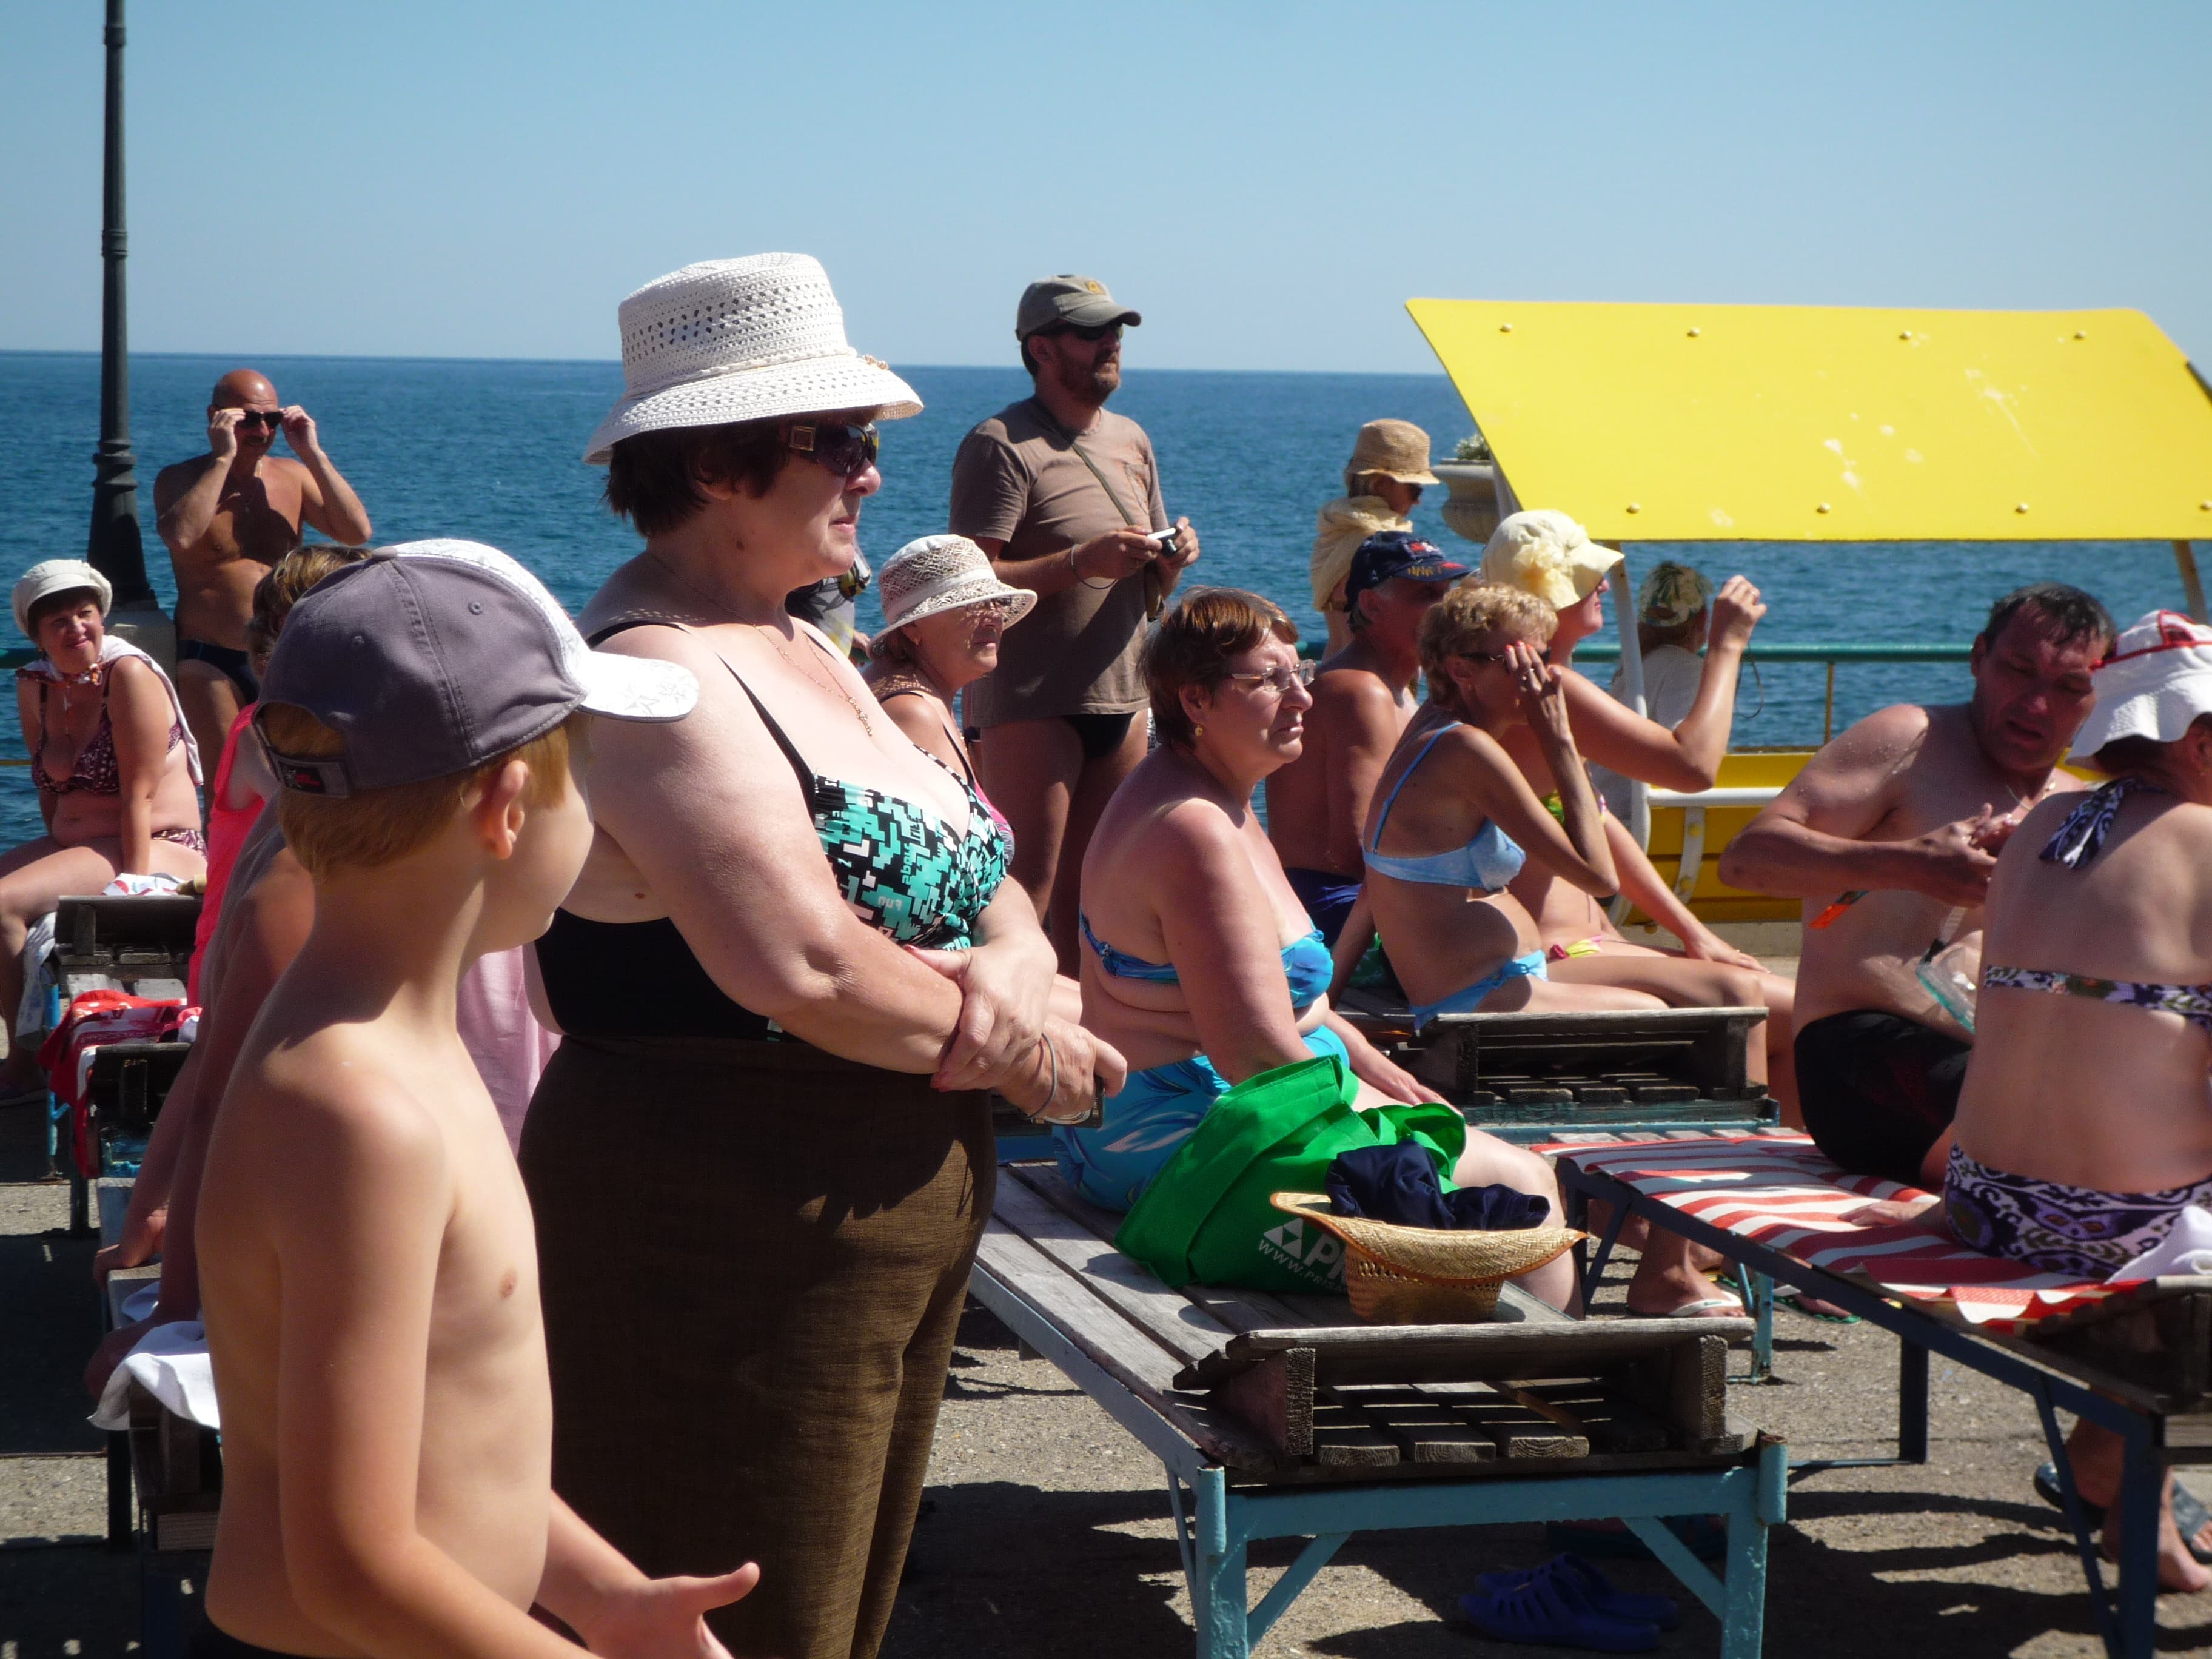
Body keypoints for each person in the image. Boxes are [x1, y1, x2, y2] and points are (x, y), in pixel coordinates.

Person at [527, 254, 1124, 1659]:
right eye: (839, 441)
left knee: (842, 1610)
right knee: (751, 1613)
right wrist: (1029, 1042)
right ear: (724, 464)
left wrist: (1019, 969)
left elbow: (980, 874)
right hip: (730, 1211)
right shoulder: (656, 671)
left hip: (876, 1196)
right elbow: (798, 962)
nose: (869, 471)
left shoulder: (803, 640)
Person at [188, 543, 764, 1659]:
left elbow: (442, 1446)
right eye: (585, 778)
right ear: (506, 806)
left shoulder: (384, 1045)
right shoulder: (360, 1115)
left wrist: (604, 1598)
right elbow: (351, 1565)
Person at [1059, 588, 1577, 1307]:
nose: (1300, 695)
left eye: (1298, 671)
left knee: (1482, 1157)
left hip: (1235, 1102)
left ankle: (1514, 1381)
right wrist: (1387, 1124)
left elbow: (1300, 1003)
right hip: (1184, 1134)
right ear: (1197, 701)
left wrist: (1381, 1075)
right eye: (1267, 680)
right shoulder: (1193, 830)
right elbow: (1255, 1055)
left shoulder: (1221, 798)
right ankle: (1547, 1389)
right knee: (1521, 1185)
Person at [1945, 610, 2212, 1592]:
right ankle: (2118, 1469)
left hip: (1985, 1201)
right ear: (2198, 740)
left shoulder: (2043, 826)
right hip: (2109, 1232)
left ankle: (2134, 1499)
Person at [1720, 583, 2112, 1188]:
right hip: (1857, 1055)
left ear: (2099, 695)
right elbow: (1746, 862)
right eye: (2018, 670)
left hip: (1995, 1062)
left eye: (2069, 687)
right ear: (1979, 657)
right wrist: (1907, 863)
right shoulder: (1911, 739)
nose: (2036, 705)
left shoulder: (2077, 803)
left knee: (2140, 1114)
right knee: (2053, 1129)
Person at [949, 273, 1202, 969]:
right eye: (1091, 333)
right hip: (1034, 702)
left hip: (1123, 694)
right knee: (1025, 892)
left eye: (1115, 331)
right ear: (1041, 349)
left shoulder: (1131, 439)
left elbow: (1149, 577)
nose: (1111, 344)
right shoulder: (1001, 444)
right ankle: (1005, 1059)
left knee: (1099, 897)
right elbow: (968, 581)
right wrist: (1080, 563)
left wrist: (1171, 559)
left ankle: (1088, 1051)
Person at [1, 560, 204, 1098]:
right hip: (86, 844)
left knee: (2, 904)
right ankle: (33, 1043)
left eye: (84, 614)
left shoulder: (129, 676)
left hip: (158, 846)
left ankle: (21, 1070)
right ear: (37, 635)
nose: (76, 629)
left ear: (102, 616)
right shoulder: (37, 685)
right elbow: (49, 785)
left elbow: (138, 794)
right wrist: (56, 847)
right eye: (58, 622)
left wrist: (135, 890)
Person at [153, 368, 373, 763]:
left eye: (270, 419)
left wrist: (312, 453)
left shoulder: (293, 476)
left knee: (297, 779)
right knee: (228, 787)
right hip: (212, 657)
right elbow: (180, 537)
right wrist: (223, 459)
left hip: (283, 652)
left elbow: (356, 532)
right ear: (215, 416)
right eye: (247, 419)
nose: (261, 431)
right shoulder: (181, 478)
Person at [1267, 530, 1467, 950]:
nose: (1445, 608)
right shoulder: (1362, 692)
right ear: (1373, 605)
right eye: (1426, 594)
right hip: (1334, 911)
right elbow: (1356, 851)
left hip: (1354, 899)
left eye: (1446, 593)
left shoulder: (1395, 689)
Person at [187, 546, 368, 1002]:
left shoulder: (343, 732)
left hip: (307, 949)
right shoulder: (259, 733)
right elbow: (318, 829)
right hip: (241, 965)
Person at [862, 534, 1033, 814]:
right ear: (912, 627)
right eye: (970, 603)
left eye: (997, 600)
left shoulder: (929, 696)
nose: (992, 616)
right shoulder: (912, 713)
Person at [1594, 559, 1714, 815]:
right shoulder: (1684, 668)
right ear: (1703, 618)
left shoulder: (1635, 664)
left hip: (1607, 809)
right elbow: (1686, 758)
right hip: (1636, 818)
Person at [1309, 420, 1439, 655]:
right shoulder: (1385, 545)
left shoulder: (1336, 529)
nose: (1418, 501)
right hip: (1374, 677)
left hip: (1331, 668)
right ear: (1381, 483)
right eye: (1415, 489)